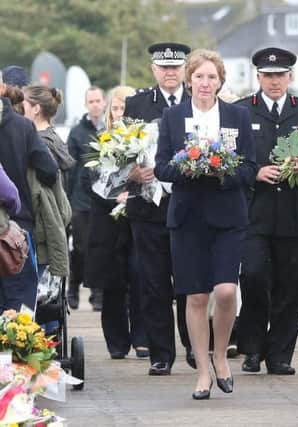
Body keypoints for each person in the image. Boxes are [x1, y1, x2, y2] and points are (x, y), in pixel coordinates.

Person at [155, 49, 256, 400]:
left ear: (220, 81)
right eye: (199, 76)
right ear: (189, 79)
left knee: (226, 290)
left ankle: (221, 355)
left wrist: (220, 170)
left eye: (212, 77)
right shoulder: (172, 116)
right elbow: (161, 168)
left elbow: (249, 169)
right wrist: (188, 166)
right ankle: (201, 371)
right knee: (195, 295)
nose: (205, 83)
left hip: (228, 215)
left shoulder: (237, 116)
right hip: (187, 218)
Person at [236, 47, 298, 375]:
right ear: (258, 77)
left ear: (290, 77)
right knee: (254, 276)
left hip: (294, 211)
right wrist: (255, 171)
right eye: (268, 76)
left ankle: (280, 353)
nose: (274, 81)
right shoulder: (243, 111)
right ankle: (252, 347)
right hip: (255, 211)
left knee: (290, 283)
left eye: (280, 75)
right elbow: (235, 160)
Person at [123, 42, 194, 375]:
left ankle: (194, 345)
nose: (170, 72)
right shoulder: (137, 104)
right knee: (154, 284)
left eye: (175, 67)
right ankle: (161, 353)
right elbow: (119, 154)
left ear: (184, 70)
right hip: (148, 209)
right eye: (164, 67)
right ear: (154, 69)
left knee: (190, 280)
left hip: (189, 206)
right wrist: (130, 172)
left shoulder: (199, 103)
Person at [84, 85, 149, 360]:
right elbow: (92, 181)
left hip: (138, 215)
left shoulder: (146, 140)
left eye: (125, 108)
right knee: (113, 283)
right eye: (117, 108)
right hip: (109, 219)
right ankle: (117, 340)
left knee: (140, 276)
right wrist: (116, 194)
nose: (120, 113)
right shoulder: (102, 139)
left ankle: (143, 337)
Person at [0, 79, 58, 310]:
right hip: (17, 228)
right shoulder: (23, 127)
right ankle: (16, 346)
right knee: (19, 303)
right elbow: (49, 170)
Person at [22, 85, 72, 279]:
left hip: (41, 225)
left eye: (24, 104)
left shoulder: (39, 144)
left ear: (36, 109)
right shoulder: (54, 138)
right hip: (56, 219)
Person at [66, 86, 106, 311]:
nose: (95, 105)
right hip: (80, 200)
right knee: (81, 247)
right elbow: (70, 168)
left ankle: (97, 294)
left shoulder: (110, 130)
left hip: (103, 198)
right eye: (91, 101)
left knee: (100, 247)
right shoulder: (77, 132)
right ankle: (73, 286)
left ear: (103, 102)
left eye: (98, 100)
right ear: (86, 105)